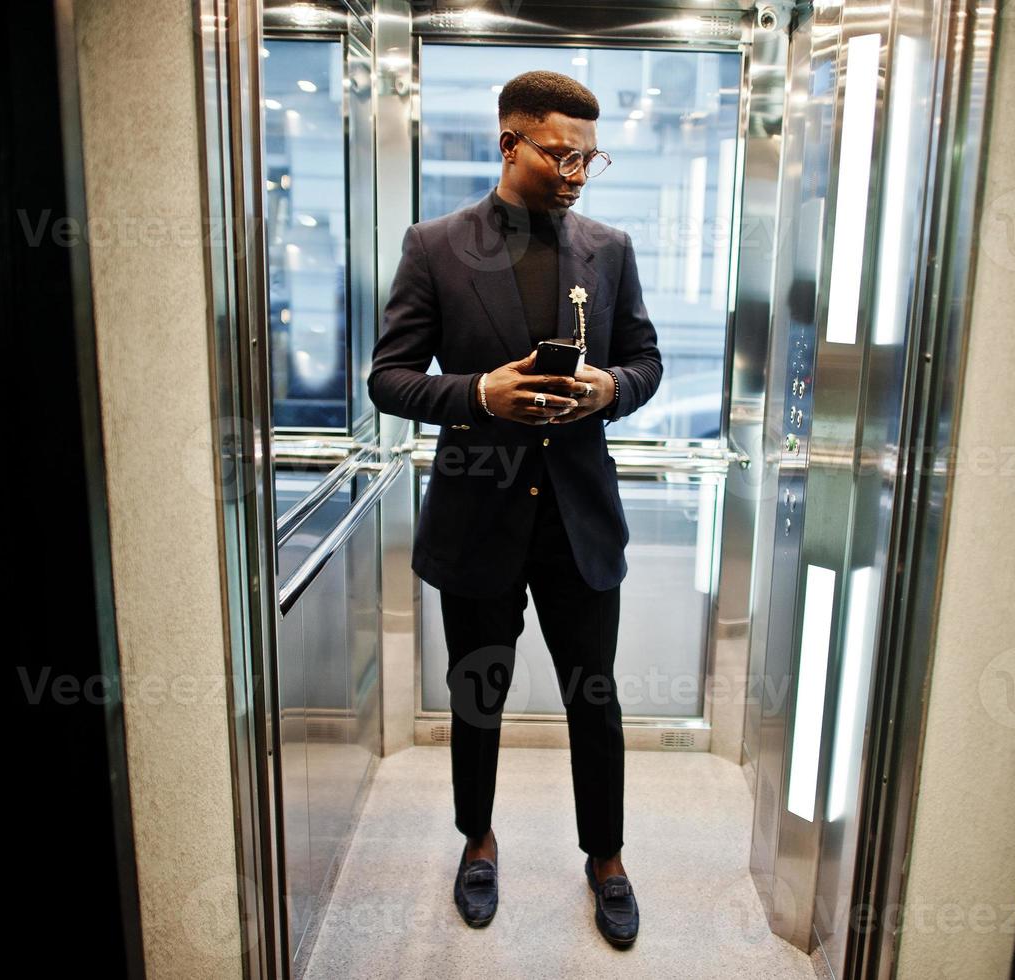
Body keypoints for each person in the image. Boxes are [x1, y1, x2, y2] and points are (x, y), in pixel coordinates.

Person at [367, 69, 662, 948]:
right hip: (476, 517)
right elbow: (387, 378)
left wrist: (608, 387)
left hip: (578, 520)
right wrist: (477, 396)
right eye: (559, 152)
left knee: (594, 699)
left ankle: (605, 857)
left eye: (588, 157)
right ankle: (477, 842)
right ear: (510, 143)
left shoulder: (606, 249)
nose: (575, 170)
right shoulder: (436, 246)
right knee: (477, 696)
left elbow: (645, 360)